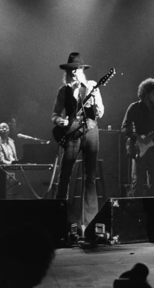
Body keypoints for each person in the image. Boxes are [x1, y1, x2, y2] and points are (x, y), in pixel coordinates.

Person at [51, 52, 104, 231]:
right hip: (72, 132)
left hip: (90, 131)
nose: (74, 72)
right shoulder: (63, 90)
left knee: (90, 176)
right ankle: (61, 220)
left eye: (77, 69)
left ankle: (90, 222)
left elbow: (101, 112)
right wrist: (61, 121)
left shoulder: (92, 86)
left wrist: (94, 101)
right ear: (67, 72)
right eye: (71, 70)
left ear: (82, 70)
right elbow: (55, 114)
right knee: (65, 174)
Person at [121, 78, 154, 197]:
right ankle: (136, 211)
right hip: (140, 148)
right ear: (145, 93)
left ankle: (151, 212)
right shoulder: (134, 107)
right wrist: (138, 137)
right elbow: (124, 129)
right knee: (137, 182)